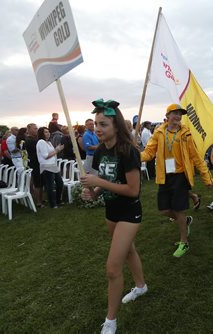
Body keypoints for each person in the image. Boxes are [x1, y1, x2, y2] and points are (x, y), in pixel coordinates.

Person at [80, 99, 147, 334]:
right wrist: (94, 192)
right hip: (111, 211)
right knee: (128, 250)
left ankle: (110, 321)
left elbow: (132, 190)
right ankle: (141, 286)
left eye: (104, 124)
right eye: (96, 124)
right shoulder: (100, 151)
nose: (98, 129)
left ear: (116, 126)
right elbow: (106, 184)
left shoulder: (128, 151)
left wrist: (99, 182)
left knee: (112, 268)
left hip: (129, 211)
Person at [141, 103, 213, 257]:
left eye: (180, 114)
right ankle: (185, 221)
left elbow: (196, 157)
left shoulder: (186, 134)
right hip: (164, 175)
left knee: (179, 210)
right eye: (174, 113)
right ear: (167, 116)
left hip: (180, 176)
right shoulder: (159, 133)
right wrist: (136, 156)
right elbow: (149, 152)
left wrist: (206, 176)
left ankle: (184, 242)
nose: (177, 116)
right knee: (164, 210)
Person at [36, 127, 64, 208]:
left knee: (60, 184)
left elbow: (53, 153)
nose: (48, 133)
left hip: (53, 166)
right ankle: (53, 204)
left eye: (48, 132)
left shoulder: (48, 142)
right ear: (41, 133)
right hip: (47, 166)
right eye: (45, 132)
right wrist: (57, 150)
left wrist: (57, 149)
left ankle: (58, 201)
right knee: (50, 186)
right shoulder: (41, 142)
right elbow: (46, 156)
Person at [24, 123, 43, 207]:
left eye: (36, 128)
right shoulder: (29, 140)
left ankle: (41, 199)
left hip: (38, 163)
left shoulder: (35, 139)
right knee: (37, 183)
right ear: (29, 129)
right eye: (35, 128)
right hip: (34, 163)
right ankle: (38, 202)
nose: (36, 130)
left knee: (40, 182)